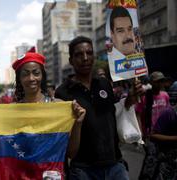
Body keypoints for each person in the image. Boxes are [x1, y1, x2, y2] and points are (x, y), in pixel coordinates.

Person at [55, 36, 144, 179]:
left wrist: (130, 99)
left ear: (94, 56)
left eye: (89, 53)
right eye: (79, 55)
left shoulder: (104, 84)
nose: (85, 58)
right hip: (83, 170)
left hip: (115, 165)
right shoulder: (63, 92)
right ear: (71, 60)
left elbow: (116, 113)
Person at [12, 50, 86, 162]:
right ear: (19, 79)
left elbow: (71, 153)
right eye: (25, 74)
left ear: (42, 76)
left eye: (36, 73)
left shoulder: (58, 106)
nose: (31, 78)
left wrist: (78, 124)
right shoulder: (12, 111)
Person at [135, 71, 170, 137]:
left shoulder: (165, 95)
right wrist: (140, 132)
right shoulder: (144, 97)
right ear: (151, 82)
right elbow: (138, 114)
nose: (160, 84)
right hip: (149, 133)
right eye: (157, 81)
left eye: (162, 81)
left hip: (164, 132)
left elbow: (168, 113)